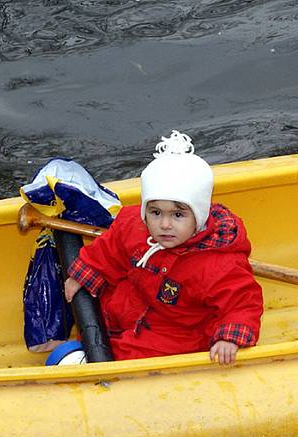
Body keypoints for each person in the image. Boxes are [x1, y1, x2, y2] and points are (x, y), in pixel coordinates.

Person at [63, 130, 263, 364]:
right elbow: (110, 249)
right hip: (136, 302)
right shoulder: (134, 225)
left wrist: (230, 337)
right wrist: (85, 272)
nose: (165, 225)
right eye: (155, 212)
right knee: (102, 307)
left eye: (178, 214)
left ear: (198, 215)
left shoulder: (219, 265)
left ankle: (97, 364)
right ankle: (86, 346)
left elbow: (242, 301)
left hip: (177, 330)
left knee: (130, 355)